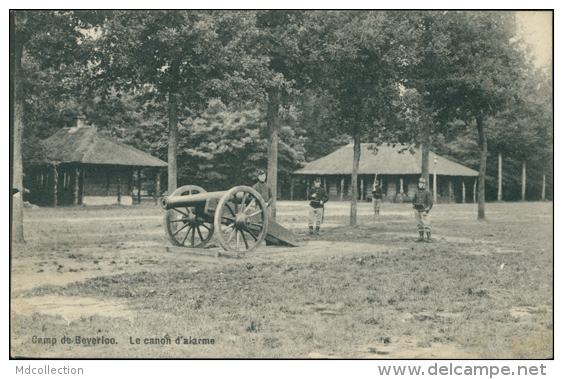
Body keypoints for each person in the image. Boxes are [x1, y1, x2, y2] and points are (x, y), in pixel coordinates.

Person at [412, 177, 433, 242]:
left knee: (426, 224)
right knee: (419, 224)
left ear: (424, 184)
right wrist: (414, 208)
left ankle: (428, 238)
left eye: (421, 183)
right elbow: (413, 200)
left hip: (424, 210)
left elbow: (430, 202)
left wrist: (427, 210)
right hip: (417, 210)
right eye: (419, 183)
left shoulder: (427, 192)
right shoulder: (416, 192)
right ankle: (421, 237)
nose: (420, 184)